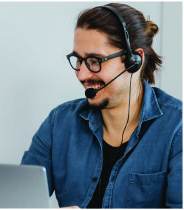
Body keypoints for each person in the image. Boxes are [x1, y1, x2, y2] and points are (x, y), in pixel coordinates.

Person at [21, 3, 182, 208]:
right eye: (78, 60)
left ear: (134, 61)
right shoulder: (58, 123)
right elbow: (20, 201)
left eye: (95, 60)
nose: (82, 74)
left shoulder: (177, 128)